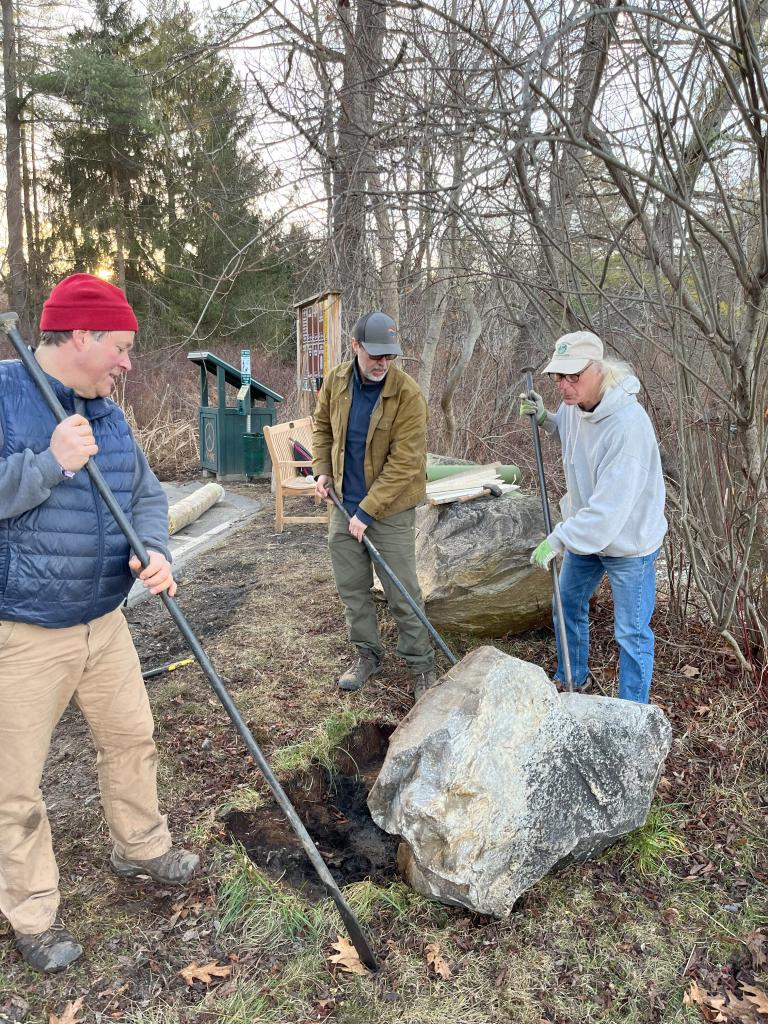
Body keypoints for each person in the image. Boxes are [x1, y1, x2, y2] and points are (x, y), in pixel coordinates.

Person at [0, 274, 199, 974]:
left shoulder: (106, 412)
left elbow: (145, 491)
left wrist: (155, 550)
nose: (127, 362)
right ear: (80, 337)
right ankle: (32, 913)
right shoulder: (4, 393)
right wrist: (48, 464)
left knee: (132, 738)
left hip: (104, 621)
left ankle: (140, 846)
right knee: (14, 784)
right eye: (119, 346)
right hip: (23, 632)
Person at [520, 330, 667, 703]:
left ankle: (631, 714)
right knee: (566, 603)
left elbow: (608, 514)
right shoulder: (575, 406)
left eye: (574, 377)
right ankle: (573, 679)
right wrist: (545, 419)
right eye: (559, 377)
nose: (565, 387)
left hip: (628, 543)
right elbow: (573, 437)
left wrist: (558, 538)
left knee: (631, 632)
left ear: (599, 369)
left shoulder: (627, 428)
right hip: (587, 534)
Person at [313, 311, 436, 698]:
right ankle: (366, 654)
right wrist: (321, 471)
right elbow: (322, 428)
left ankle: (421, 665)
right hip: (343, 503)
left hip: (391, 509)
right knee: (352, 588)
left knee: (402, 592)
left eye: (389, 356)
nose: (383, 363)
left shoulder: (407, 395)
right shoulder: (335, 381)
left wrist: (367, 511)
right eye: (375, 355)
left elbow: (406, 463)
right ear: (356, 347)